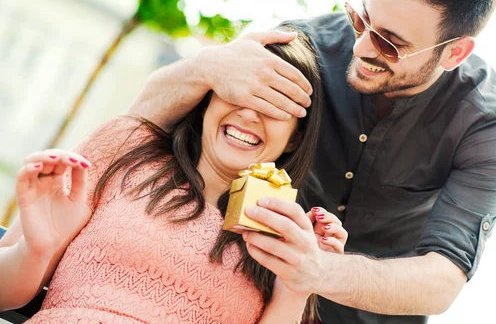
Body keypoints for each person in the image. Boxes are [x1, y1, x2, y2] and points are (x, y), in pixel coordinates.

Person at [127, 0, 496, 324]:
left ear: (454, 52)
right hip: (250, 302)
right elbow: (141, 121)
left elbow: (442, 281)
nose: (362, 46)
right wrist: (207, 66)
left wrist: (316, 269)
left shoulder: (487, 123)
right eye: (362, 18)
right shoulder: (305, 44)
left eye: (391, 44)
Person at [0, 28, 349, 323]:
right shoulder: (126, 148)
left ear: (296, 138)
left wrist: (296, 287)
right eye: (239, 91)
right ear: (209, 97)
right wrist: (35, 248)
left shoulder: (285, 240)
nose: (247, 113)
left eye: (273, 107)